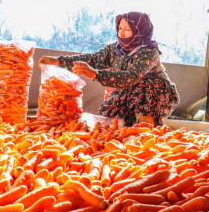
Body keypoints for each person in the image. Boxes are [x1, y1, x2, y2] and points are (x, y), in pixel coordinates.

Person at [39, 11, 179, 127]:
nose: (121, 33)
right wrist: (58, 61)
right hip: (125, 90)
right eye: (120, 28)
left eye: (127, 29)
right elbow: (92, 59)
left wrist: (95, 74)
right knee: (109, 120)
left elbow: (130, 77)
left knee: (143, 86)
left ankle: (146, 131)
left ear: (139, 31)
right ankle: (127, 136)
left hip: (152, 92)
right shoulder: (115, 49)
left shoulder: (148, 52)